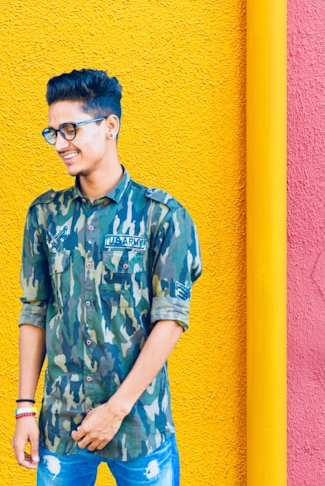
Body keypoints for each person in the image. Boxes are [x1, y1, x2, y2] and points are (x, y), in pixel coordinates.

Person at [12, 69, 202, 486]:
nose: (60, 144)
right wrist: (25, 408)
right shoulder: (44, 215)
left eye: (69, 130)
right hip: (62, 425)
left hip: (139, 428)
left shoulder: (162, 216)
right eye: (52, 133)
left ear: (110, 126)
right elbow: (35, 310)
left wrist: (115, 410)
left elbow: (170, 320)